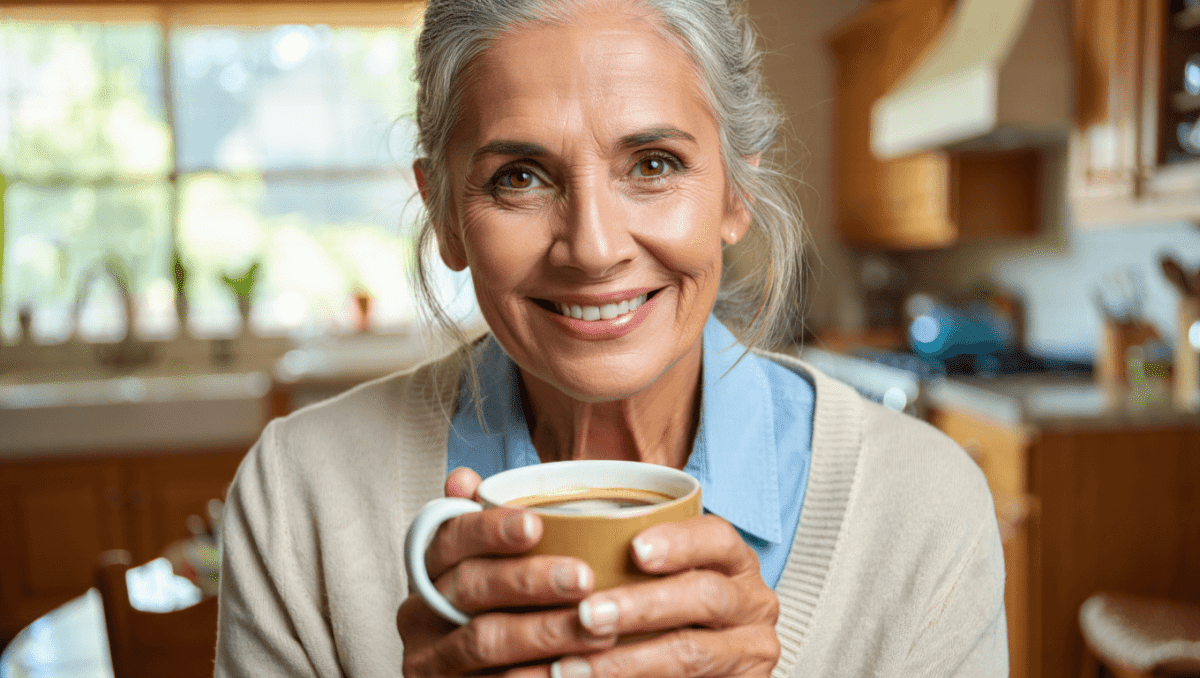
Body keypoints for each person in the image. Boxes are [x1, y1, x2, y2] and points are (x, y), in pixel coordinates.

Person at [214, 0, 1008, 675]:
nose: (593, 247)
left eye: (655, 164)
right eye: (518, 177)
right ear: (445, 213)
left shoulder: (922, 508)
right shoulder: (298, 503)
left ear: (738, 191)